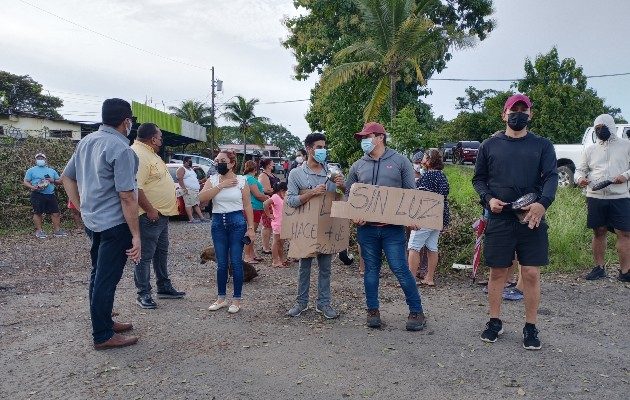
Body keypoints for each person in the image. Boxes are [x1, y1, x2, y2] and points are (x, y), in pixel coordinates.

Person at [472, 94, 558, 350]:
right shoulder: (489, 145)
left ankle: (530, 326)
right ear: (504, 114)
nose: (518, 114)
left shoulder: (542, 145)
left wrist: (543, 204)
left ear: (530, 114)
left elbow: (552, 176)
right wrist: (488, 199)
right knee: (498, 272)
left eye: (524, 109)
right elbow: (478, 180)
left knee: (531, 273)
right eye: (513, 109)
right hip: (499, 218)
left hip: (531, 217)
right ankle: (494, 321)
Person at [61, 98, 140, 350]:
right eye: (130, 121)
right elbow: (127, 196)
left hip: (94, 222)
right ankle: (103, 335)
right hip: (115, 225)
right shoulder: (122, 149)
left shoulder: (87, 141)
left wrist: (82, 206)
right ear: (126, 121)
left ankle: (104, 321)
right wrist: (136, 235)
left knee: (98, 274)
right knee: (106, 278)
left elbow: (66, 178)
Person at [345, 122, 426, 331]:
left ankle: (416, 311)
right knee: (370, 270)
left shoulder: (400, 162)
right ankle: (372, 310)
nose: (364, 141)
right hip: (367, 229)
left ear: (380, 137)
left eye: (367, 136)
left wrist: (413, 218)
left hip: (393, 229)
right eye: (362, 138)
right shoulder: (357, 166)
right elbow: (349, 196)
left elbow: (411, 193)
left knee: (400, 268)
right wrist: (354, 216)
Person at [286, 133, 344, 319]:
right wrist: (311, 193)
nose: (322, 150)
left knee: (326, 268)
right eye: (319, 147)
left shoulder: (332, 172)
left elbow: (341, 197)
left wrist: (342, 186)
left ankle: (324, 304)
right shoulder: (296, 173)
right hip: (306, 228)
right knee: (305, 267)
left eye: (324, 147)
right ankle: (301, 303)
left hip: (327, 227)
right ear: (309, 149)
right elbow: (291, 201)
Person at [131, 123, 186, 309]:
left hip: (161, 216)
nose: (161, 141)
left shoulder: (151, 154)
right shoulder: (138, 154)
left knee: (161, 253)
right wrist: (150, 210)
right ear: (153, 138)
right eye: (160, 138)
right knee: (145, 255)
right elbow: (135, 187)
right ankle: (143, 293)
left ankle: (163, 286)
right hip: (149, 216)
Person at [575, 114, 630, 282]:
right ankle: (599, 268)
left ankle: (625, 271)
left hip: (620, 196)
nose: (600, 130)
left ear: (611, 127)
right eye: (597, 128)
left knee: (625, 233)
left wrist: (625, 176)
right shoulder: (590, 149)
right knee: (598, 231)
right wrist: (579, 179)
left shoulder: (626, 145)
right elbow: (580, 170)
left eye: (603, 127)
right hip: (596, 196)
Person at [199, 150, 255, 314]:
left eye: (222, 160)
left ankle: (236, 300)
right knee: (221, 263)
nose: (218, 163)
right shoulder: (213, 179)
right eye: (216, 160)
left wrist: (251, 228)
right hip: (218, 222)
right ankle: (221, 298)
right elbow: (202, 198)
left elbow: (247, 205)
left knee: (236, 262)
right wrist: (221, 186)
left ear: (232, 163)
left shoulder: (242, 181)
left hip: (237, 222)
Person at [408, 149, 450, 287]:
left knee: (414, 247)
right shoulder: (442, 176)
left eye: (425, 157)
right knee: (432, 247)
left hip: (426, 216)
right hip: (438, 217)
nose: (422, 160)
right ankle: (429, 278)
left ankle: (410, 279)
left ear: (430, 160)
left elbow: (420, 197)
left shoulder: (428, 177)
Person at [23, 153, 67, 238]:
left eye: (42, 158)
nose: (40, 159)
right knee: (38, 212)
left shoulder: (52, 171)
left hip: (50, 194)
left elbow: (60, 182)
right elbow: (25, 181)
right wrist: (32, 187)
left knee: (55, 213)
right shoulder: (31, 170)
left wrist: (52, 180)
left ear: (45, 160)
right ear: (35, 160)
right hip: (37, 194)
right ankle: (39, 231)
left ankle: (57, 231)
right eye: (38, 158)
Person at [243, 160, 269, 264]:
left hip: (254, 208)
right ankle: (247, 256)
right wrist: (268, 198)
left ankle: (252, 254)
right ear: (255, 169)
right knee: (250, 233)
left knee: (251, 232)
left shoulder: (246, 178)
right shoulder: (250, 179)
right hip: (253, 208)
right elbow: (257, 194)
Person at [263, 181, 288, 268]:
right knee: (276, 242)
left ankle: (281, 259)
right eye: (285, 191)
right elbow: (265, 203)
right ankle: (275, 260)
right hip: (277, 223)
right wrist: (269, 215)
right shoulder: (275, 197)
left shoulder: (281, 197)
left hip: (283, 223)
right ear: (281, 190)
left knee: (281, 243)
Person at [258, 158, 280, 255]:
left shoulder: (272, 175)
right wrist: (277, 189)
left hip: (275, 202)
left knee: (273, 225)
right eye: (272, 163)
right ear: (267, 165)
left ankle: (271, 245)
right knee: (267, 225)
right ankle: (265, 247)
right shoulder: (263, 175)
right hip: (269, 202)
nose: (274, 164)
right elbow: (266, 190)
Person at [176, 156, 206, 223]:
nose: (191, 163)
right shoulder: (181, 169)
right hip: (188, 190)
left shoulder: (191, 169)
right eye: (189, 161)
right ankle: (191, 219)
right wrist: (184, 188)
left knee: (195, 204)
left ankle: (202, 218)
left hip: (195, 191)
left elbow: (194, 179)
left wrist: (200, 183)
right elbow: (179, 179)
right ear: (185, 162)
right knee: (189, 204)